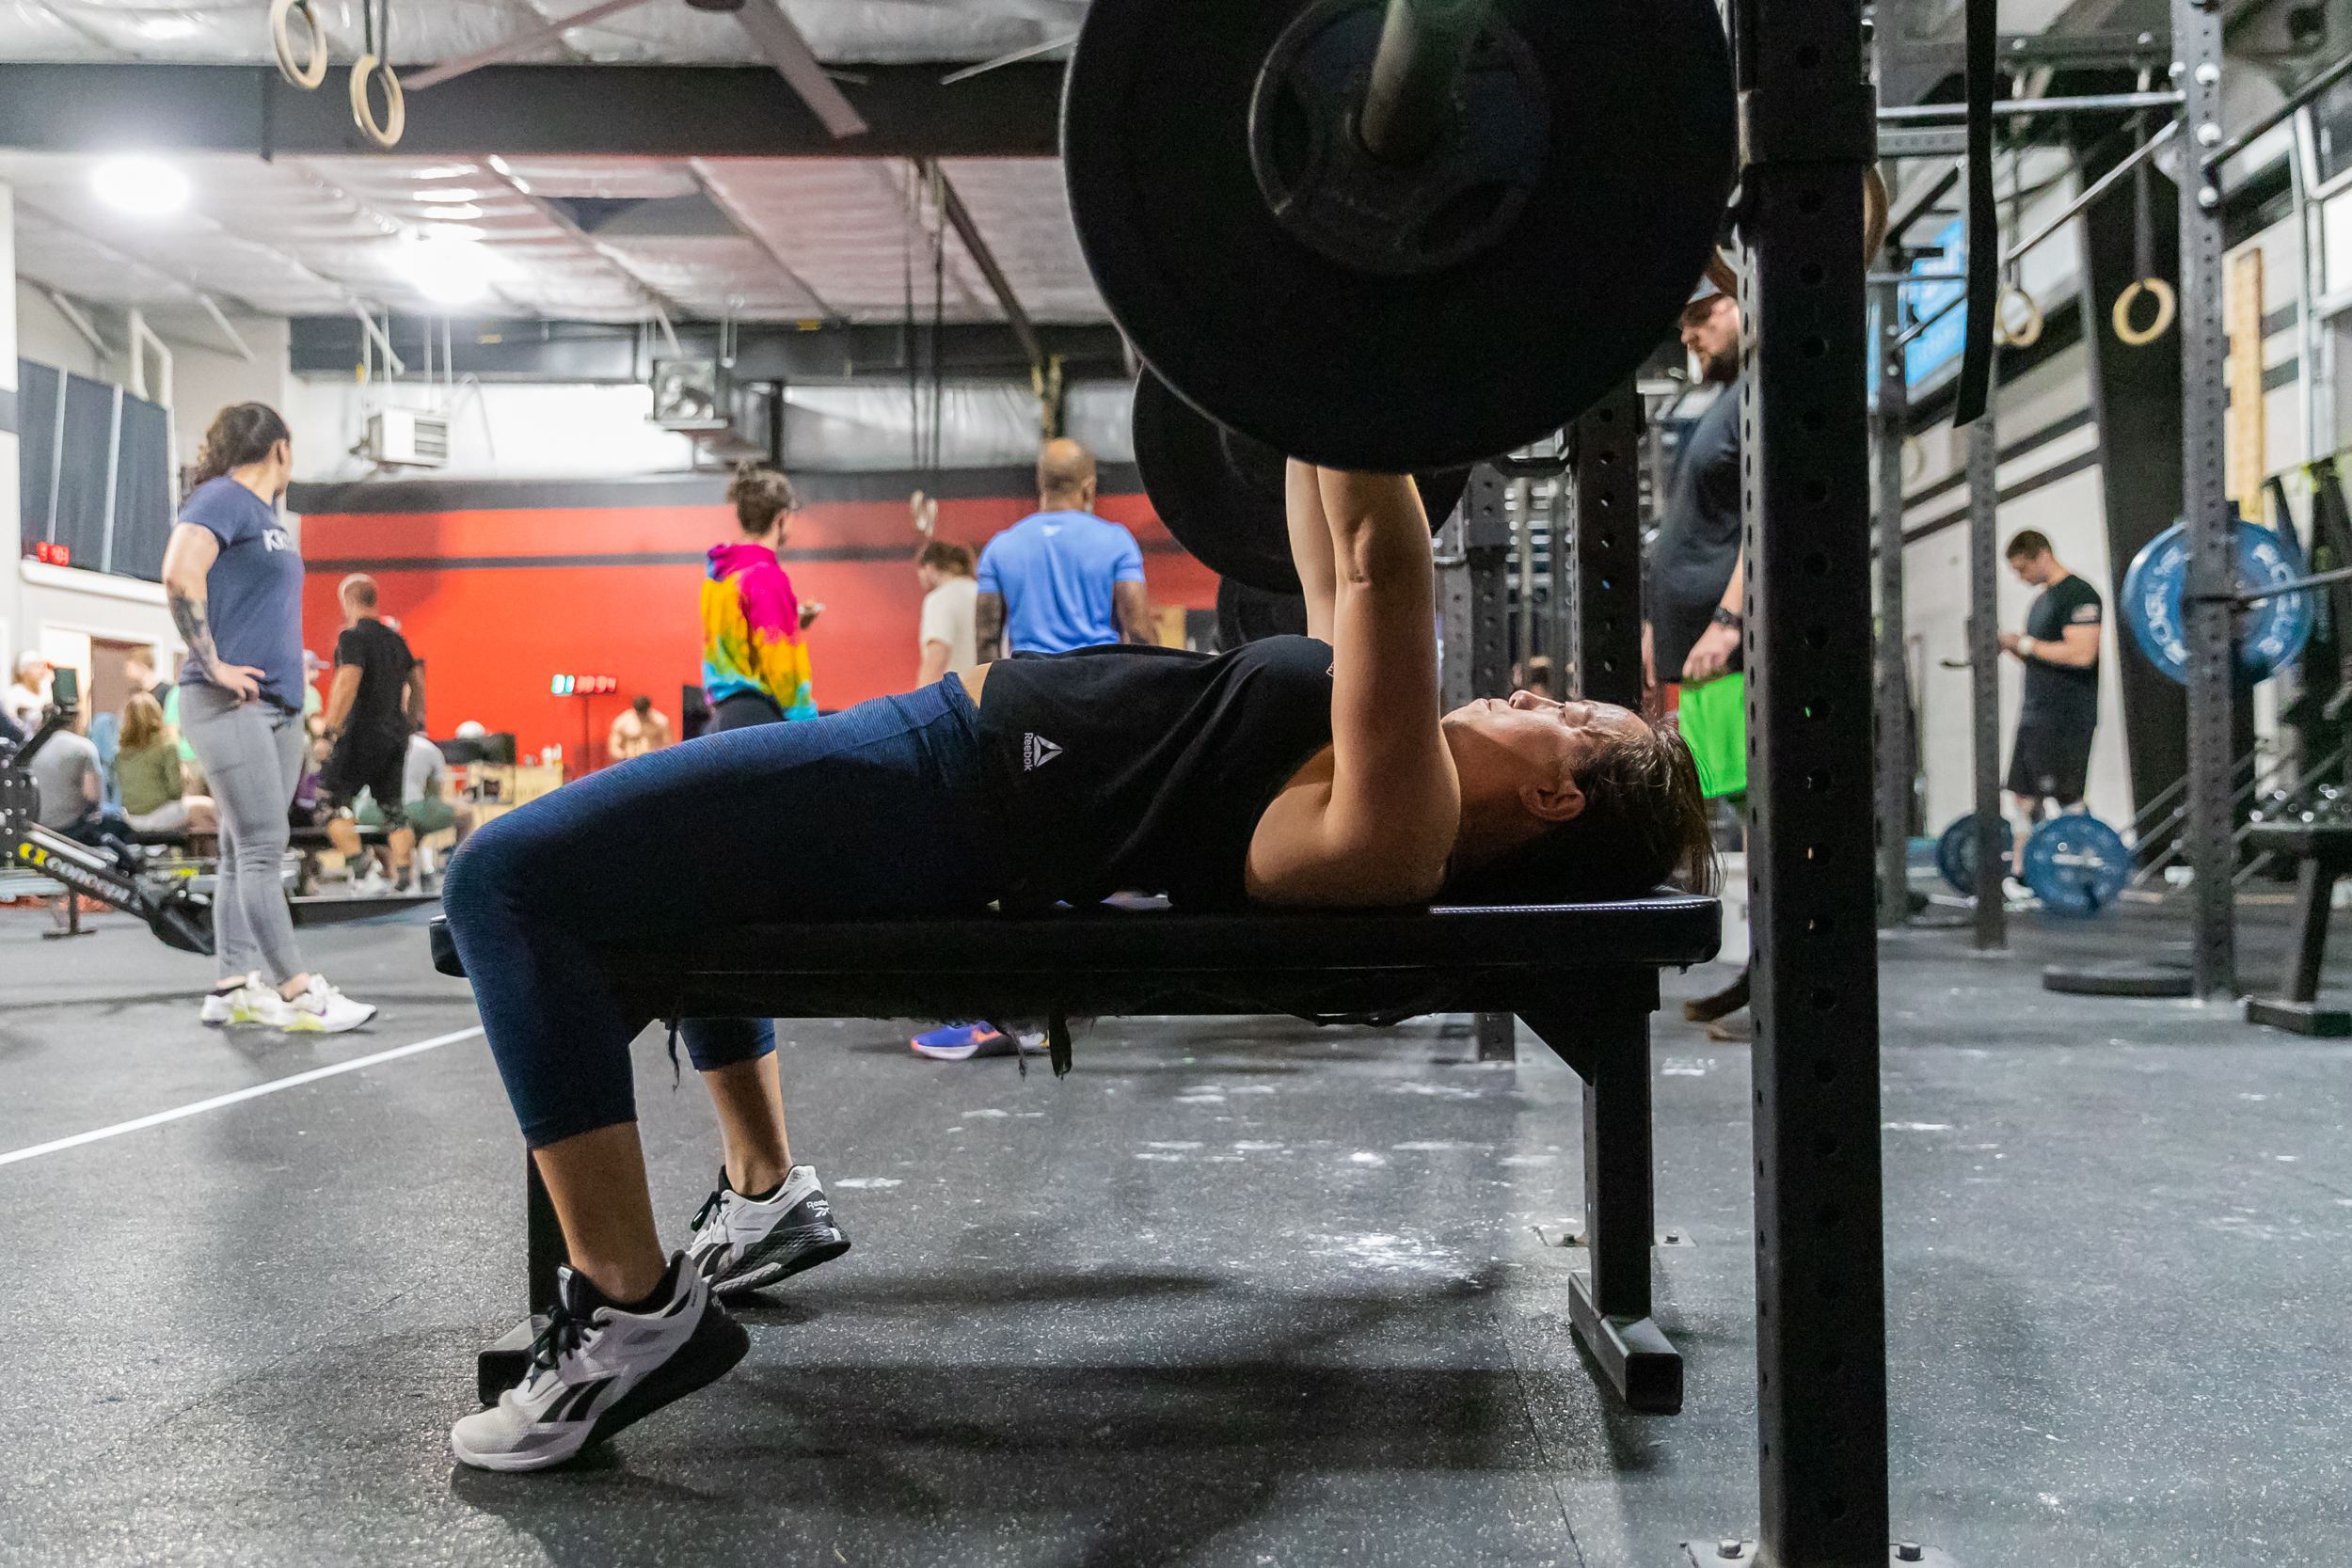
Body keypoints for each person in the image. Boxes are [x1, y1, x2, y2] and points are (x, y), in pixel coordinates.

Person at [438, 461, 1713, 1471]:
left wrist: (1357, 350)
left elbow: (1385, 553)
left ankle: (630, 1305)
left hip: (941, 791)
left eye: (1568, 713)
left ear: (1555, 793)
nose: (1535, 694)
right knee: (667, 892)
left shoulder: (1399, 820)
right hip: (941, 772)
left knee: (502, 876)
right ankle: (763, 1191)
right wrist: (1287, 345)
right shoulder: (1379, 767)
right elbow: (1331, 539)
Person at [164, 402, 376, 1035]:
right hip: (230, 702)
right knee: (262, 849)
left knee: (238, 849)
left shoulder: (266, 517)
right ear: (280, 449)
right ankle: (298, 993)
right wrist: (214, 663)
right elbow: (180, 572)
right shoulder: (223, 498)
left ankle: (231, 987)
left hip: (280, 704)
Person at [975, 438, 1152, 659]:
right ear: (1088, 489)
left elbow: (986, 640)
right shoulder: (1117, 541)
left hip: (1029, 685)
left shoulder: (998, 548)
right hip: (1097, 684)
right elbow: (1139, 633)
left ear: (1040, 484)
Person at [318, 574, 421, 892]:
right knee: (393, 810)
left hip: (360, 737)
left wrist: (329, 731)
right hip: (393, 737)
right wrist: (411, 721)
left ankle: (362, 872)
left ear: (347, 600)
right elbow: (417, 683)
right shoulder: (397, 640)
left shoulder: (352, 638)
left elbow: (348, 679)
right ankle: (406, 879)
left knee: (328, 806)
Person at [703, 464, 822, 726]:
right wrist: (807, 721)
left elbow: (737, 641)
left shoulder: (720, 573)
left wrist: (792, 620)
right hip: (758, 718)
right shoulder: (766, 577)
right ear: (781, 517)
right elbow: (781, 666)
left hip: (725, 717)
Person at [1998, 529, 2103, 828]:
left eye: (2022, 568)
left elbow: (2082, 654)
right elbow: (2039, 658)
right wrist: (2010, 646)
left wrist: (2025, 643)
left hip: (2067, 716)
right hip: (2035, 714)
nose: (2020, 577)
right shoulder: (2041, 602)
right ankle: (2022, 872)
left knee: (2067, 797)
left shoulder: (2079, 594)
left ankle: (2085, 862)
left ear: (2042, 555)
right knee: (2022, 797)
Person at [354, 727, 472, 890]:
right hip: (408, 808)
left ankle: (393, 873)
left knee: (400, 821)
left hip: (371, 809)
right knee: (464, 815)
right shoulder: (429, 749)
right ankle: (460, 867)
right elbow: (435, 794)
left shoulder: (369, 744)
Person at [114, 692, 216, 835]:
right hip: (161, 815)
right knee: (210, 809)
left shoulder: (121, 752)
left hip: (130, 818)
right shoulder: (166, 746)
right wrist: (184, 776)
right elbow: (176, 792)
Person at [915, 540, 979, 688]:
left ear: (929, 568)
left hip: (958, 700)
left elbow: (937, 654)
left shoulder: (939, 599)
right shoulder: (980, 593)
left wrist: (919, 704)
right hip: (988, 695)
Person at [608, 696, 673, 763]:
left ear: (649, 708)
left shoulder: (660, 721)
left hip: (653, 761)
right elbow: (614, 746)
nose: (642, 715)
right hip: (631, 760)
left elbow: (668, 744)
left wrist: (662, 758)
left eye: (644, 711)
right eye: (640, 712)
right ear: (634, 708)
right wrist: (623, 758)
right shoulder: (623, 723)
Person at [5, 653, 50, 733]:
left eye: (42, 667)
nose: (40, 671)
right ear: (24, 671)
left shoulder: (47, 688)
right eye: (36, 667)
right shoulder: (14, 693)